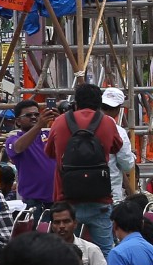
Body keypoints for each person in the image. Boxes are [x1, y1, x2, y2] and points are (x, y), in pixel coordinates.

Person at [45, 80, 124, 253]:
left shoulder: (59, 122)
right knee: (105, 252)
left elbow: (50, 153)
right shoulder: (107, 122)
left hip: (67, 201)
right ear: (99, 103)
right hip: (99, 199)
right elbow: (117, 148)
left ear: (76, 102)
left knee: (63, 252)